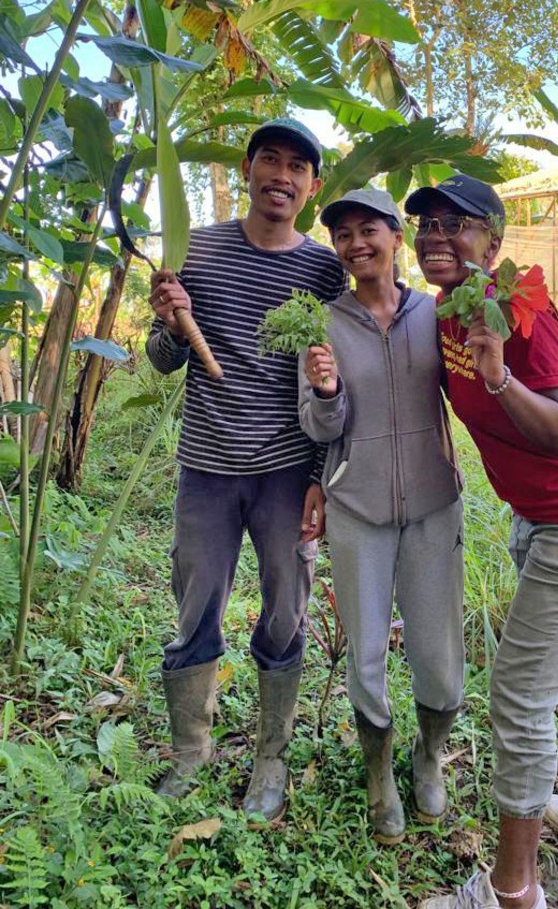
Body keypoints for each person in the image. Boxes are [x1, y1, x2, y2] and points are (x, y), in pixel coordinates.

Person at [406, 175, 558, 909]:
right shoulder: (445, 311)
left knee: (518, 694)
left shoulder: (518, 312)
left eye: (457, 224)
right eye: (426, 226)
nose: (436, 237)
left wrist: (499, 374)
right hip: (543, 517)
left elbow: (557, 431)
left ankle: (513, 891)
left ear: (495, 242)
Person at [146, 118, 346, 822]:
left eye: (297, 167)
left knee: (286, 611)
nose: (281, 177)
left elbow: (331, 378)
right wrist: (171, 326)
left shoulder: (324, 270)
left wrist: (323, 473)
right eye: (270, 160)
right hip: (206, 468)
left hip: (287, 473)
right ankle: (190, 755)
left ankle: (271, 756)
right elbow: (164, 360)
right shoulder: (195, 251)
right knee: (194, 608)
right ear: (249, 167)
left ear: (312, 187)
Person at [298, 187, 465, 845]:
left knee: (441, 657)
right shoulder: (322, 323)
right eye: (343, 235)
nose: (356, 243)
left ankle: (428, 756)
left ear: (397, 238)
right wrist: (327, 389)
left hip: (432, 506)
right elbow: (316, 426)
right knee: (365, 656)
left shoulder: (436, 315)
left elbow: (472, 391)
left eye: (369, 229)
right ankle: (379, 774)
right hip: (358, 507)